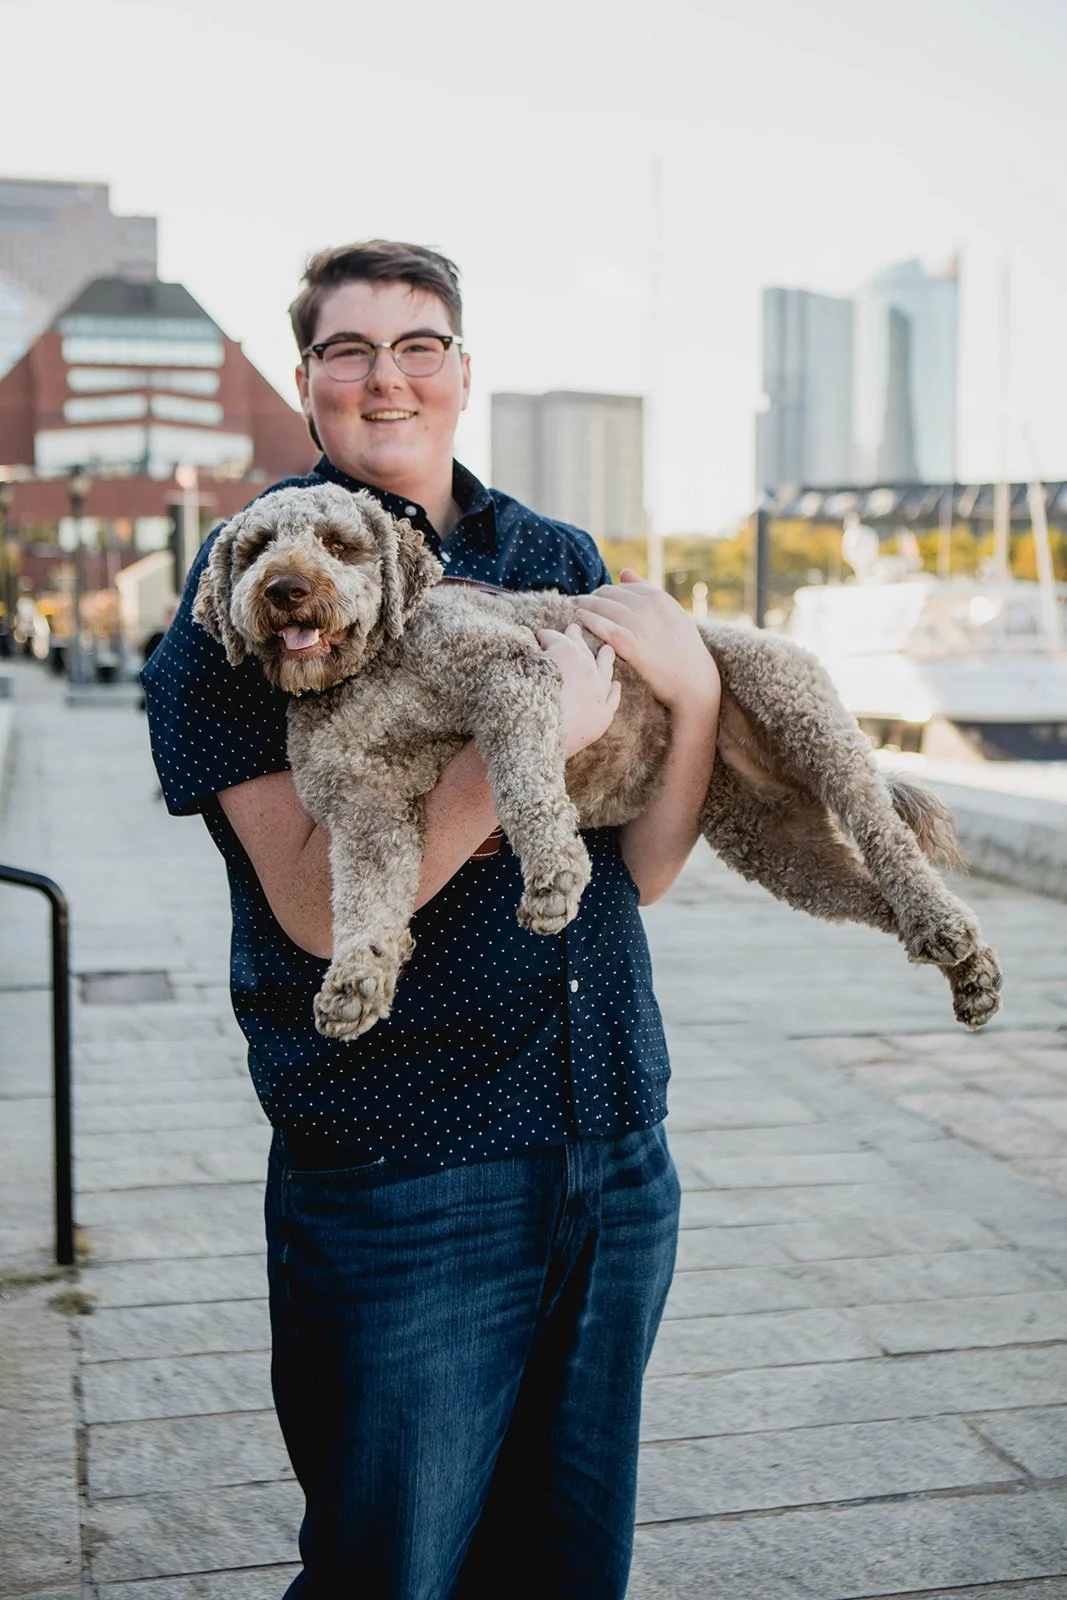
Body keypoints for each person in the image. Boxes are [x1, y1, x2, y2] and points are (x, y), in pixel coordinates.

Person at [142, 240, 721, 1599]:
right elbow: (305, 906)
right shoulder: (245, 599)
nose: (384, 377)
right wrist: (510, 750)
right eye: (348, 350)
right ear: (307, 383)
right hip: (410, 1165)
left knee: (569, 1569)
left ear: (461, 372)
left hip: (611, 1140)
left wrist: (688, 695)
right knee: (387, 1571)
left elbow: (632, 871)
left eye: (418, 345)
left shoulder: (553, 556)